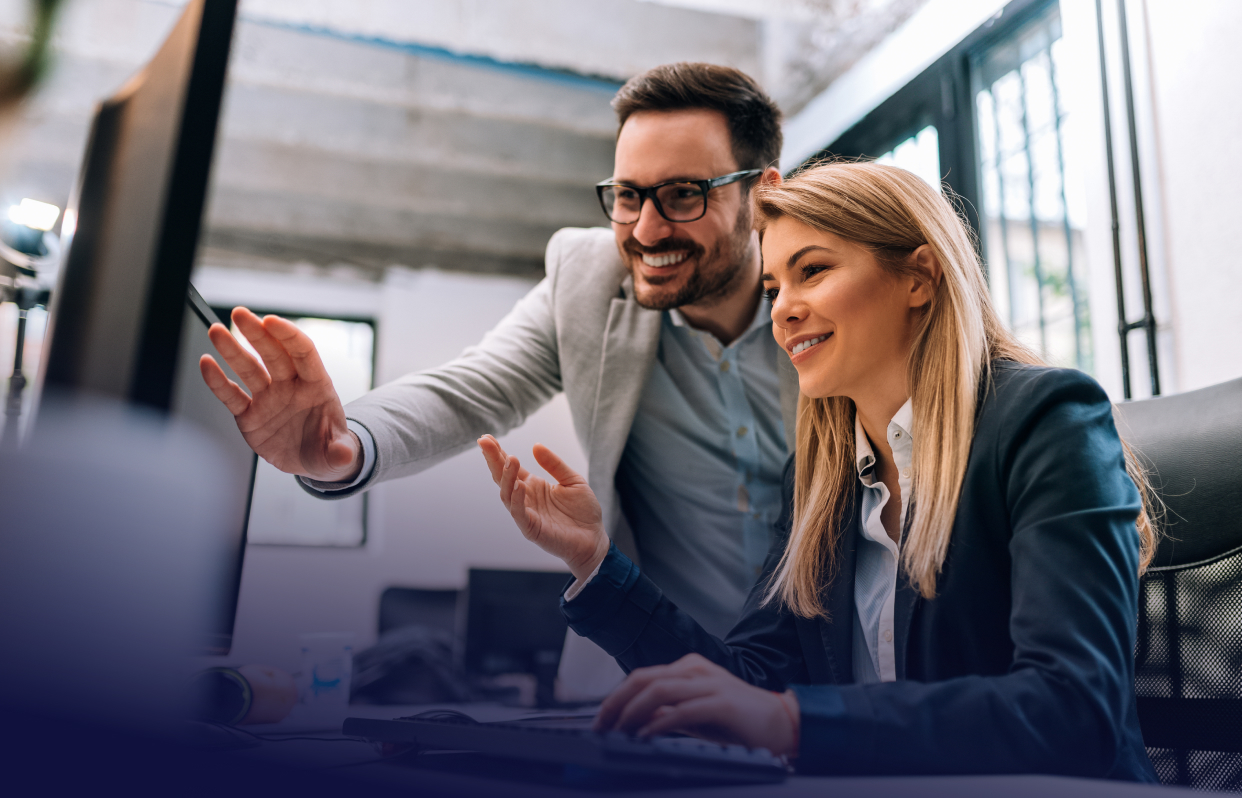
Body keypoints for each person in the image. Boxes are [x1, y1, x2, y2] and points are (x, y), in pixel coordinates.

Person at [476, 161, 1160, 780]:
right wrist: (597, 563)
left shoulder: (1047, 421)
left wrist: (793, 723)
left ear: (919, 277)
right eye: (775, 285)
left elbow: (1073, 708)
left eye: (813, 271)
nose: (783, 310)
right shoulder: (818, 479)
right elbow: (744, 683)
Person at [198, 64, 799, 686]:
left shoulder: (831, 295)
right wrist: (345, 444)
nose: (646, 230)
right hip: (658, 678)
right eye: (627, 195)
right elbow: (472, 389)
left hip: (832, 678)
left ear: (762, 195)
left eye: (683, 195)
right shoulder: (589, 279)